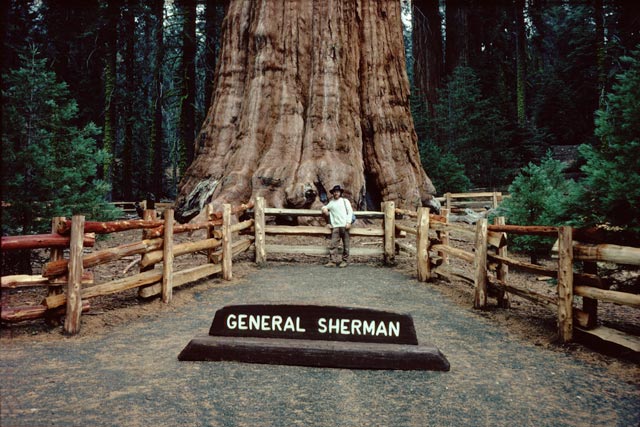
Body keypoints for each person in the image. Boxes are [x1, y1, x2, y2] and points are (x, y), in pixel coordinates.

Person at [321, 185, 354, 268]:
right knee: (333, 244)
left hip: (345, 225)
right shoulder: (331, 203)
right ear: (333, 193)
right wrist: (324, 209)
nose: (336, 193)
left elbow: (350, 211)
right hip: (336, 226)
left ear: (340, 193)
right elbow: (325, 207)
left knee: (346, 245)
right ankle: (333, 261)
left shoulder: (344, 201)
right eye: (334, 192)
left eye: (338, 192)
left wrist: (349, 222)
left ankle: (345, 261)